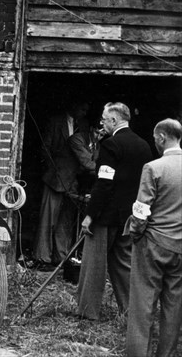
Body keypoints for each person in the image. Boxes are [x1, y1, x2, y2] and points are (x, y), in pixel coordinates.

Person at [77, 102, 152, 320]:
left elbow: (104, 183)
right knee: (123, 266)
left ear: (114, 120)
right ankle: (131, 312)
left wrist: (89, 216)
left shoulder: (111, 145)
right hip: (128, 217)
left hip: (105, 217)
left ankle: (87, 312)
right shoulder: (144, 146)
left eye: (104, 118)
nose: (101, 122)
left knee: (94, 265)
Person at [125, 119, 182, 357]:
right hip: (180, 247)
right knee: (174, 306)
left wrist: (136, 233)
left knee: (142, 305)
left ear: (161, 138)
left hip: (153, 243)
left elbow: (141, 210)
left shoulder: (153, 167)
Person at [33, 100, 89, 268]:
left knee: (66, 219)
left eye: (86, 109)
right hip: (55, 177)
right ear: (72, 105)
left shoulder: (84, 125)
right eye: (81, 107)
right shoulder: (55, 121)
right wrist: (54, 170)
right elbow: (45, 148)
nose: (83, 111)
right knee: (48, 218)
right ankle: (42, 257)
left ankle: (62, 257)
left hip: (74, 179)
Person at [69, 121, 105, 195]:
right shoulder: (77, 139)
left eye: (101, 135)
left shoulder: (97, 146)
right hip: (67, 179)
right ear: (91, 129)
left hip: (80, 181)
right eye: (96, 132)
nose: (98, 137)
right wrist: (104, 170)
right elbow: (86, 163)